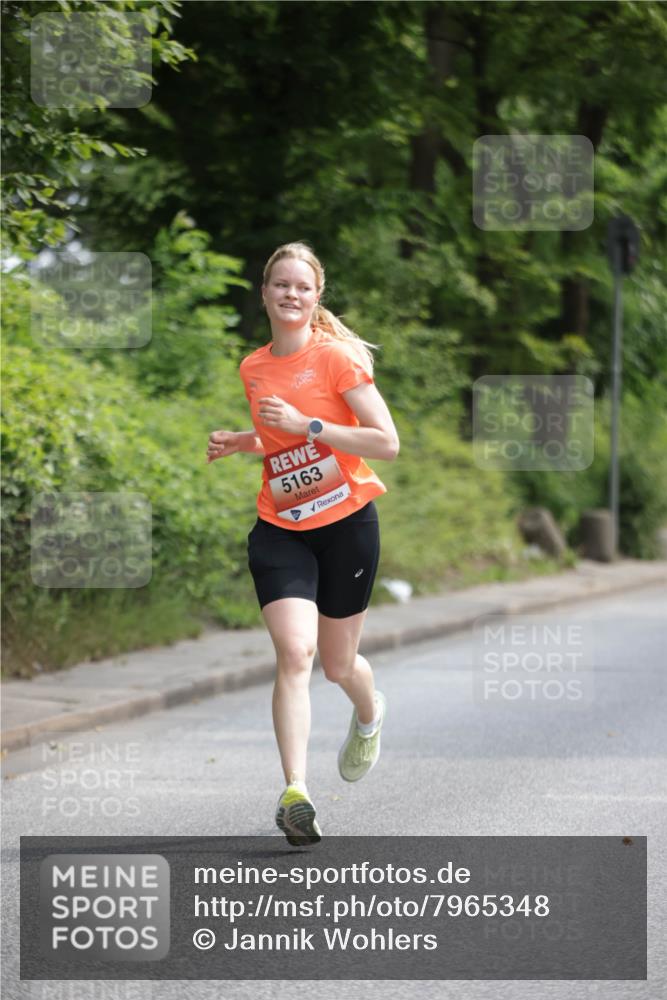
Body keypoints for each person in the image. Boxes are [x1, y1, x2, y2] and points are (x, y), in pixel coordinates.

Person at [207, 241, 399, 846]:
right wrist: (248, 441)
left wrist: (307, 424)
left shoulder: (337, 358)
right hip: (282, 526)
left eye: (303, 287)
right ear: (264, 293)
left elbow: (384, 441)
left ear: (317, 299)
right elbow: (284, 442)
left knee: (339, 664)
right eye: (281, 285)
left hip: (347, 526)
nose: (291, 294)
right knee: (296, 653)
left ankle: (369, 715)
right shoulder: (253, 367)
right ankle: (296, 792)